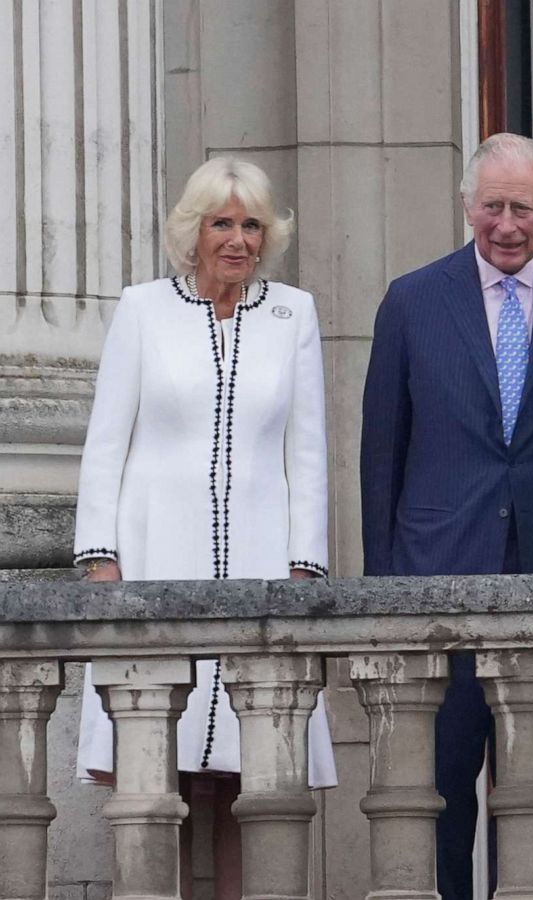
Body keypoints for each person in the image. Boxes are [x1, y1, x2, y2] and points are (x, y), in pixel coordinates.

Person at [359, 133, 533, 899]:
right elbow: (383, 451)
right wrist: (384, 591)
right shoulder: (413, 299)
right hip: (437, 578)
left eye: (523, 209)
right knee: (437, 794)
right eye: (492, 207)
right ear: (465, 206)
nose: (506, 225)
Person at [73, 156, 336, 900]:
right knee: (164, 766)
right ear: (194, 232)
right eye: (222, 223)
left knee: (250, 776)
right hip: (158, 556)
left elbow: (307, 451)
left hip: (260, 559)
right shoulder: (144, 308)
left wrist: (303, 566)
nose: (237, 240)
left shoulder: (294, 313)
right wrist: (101, 563)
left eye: (251, 224)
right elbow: (106, 443)